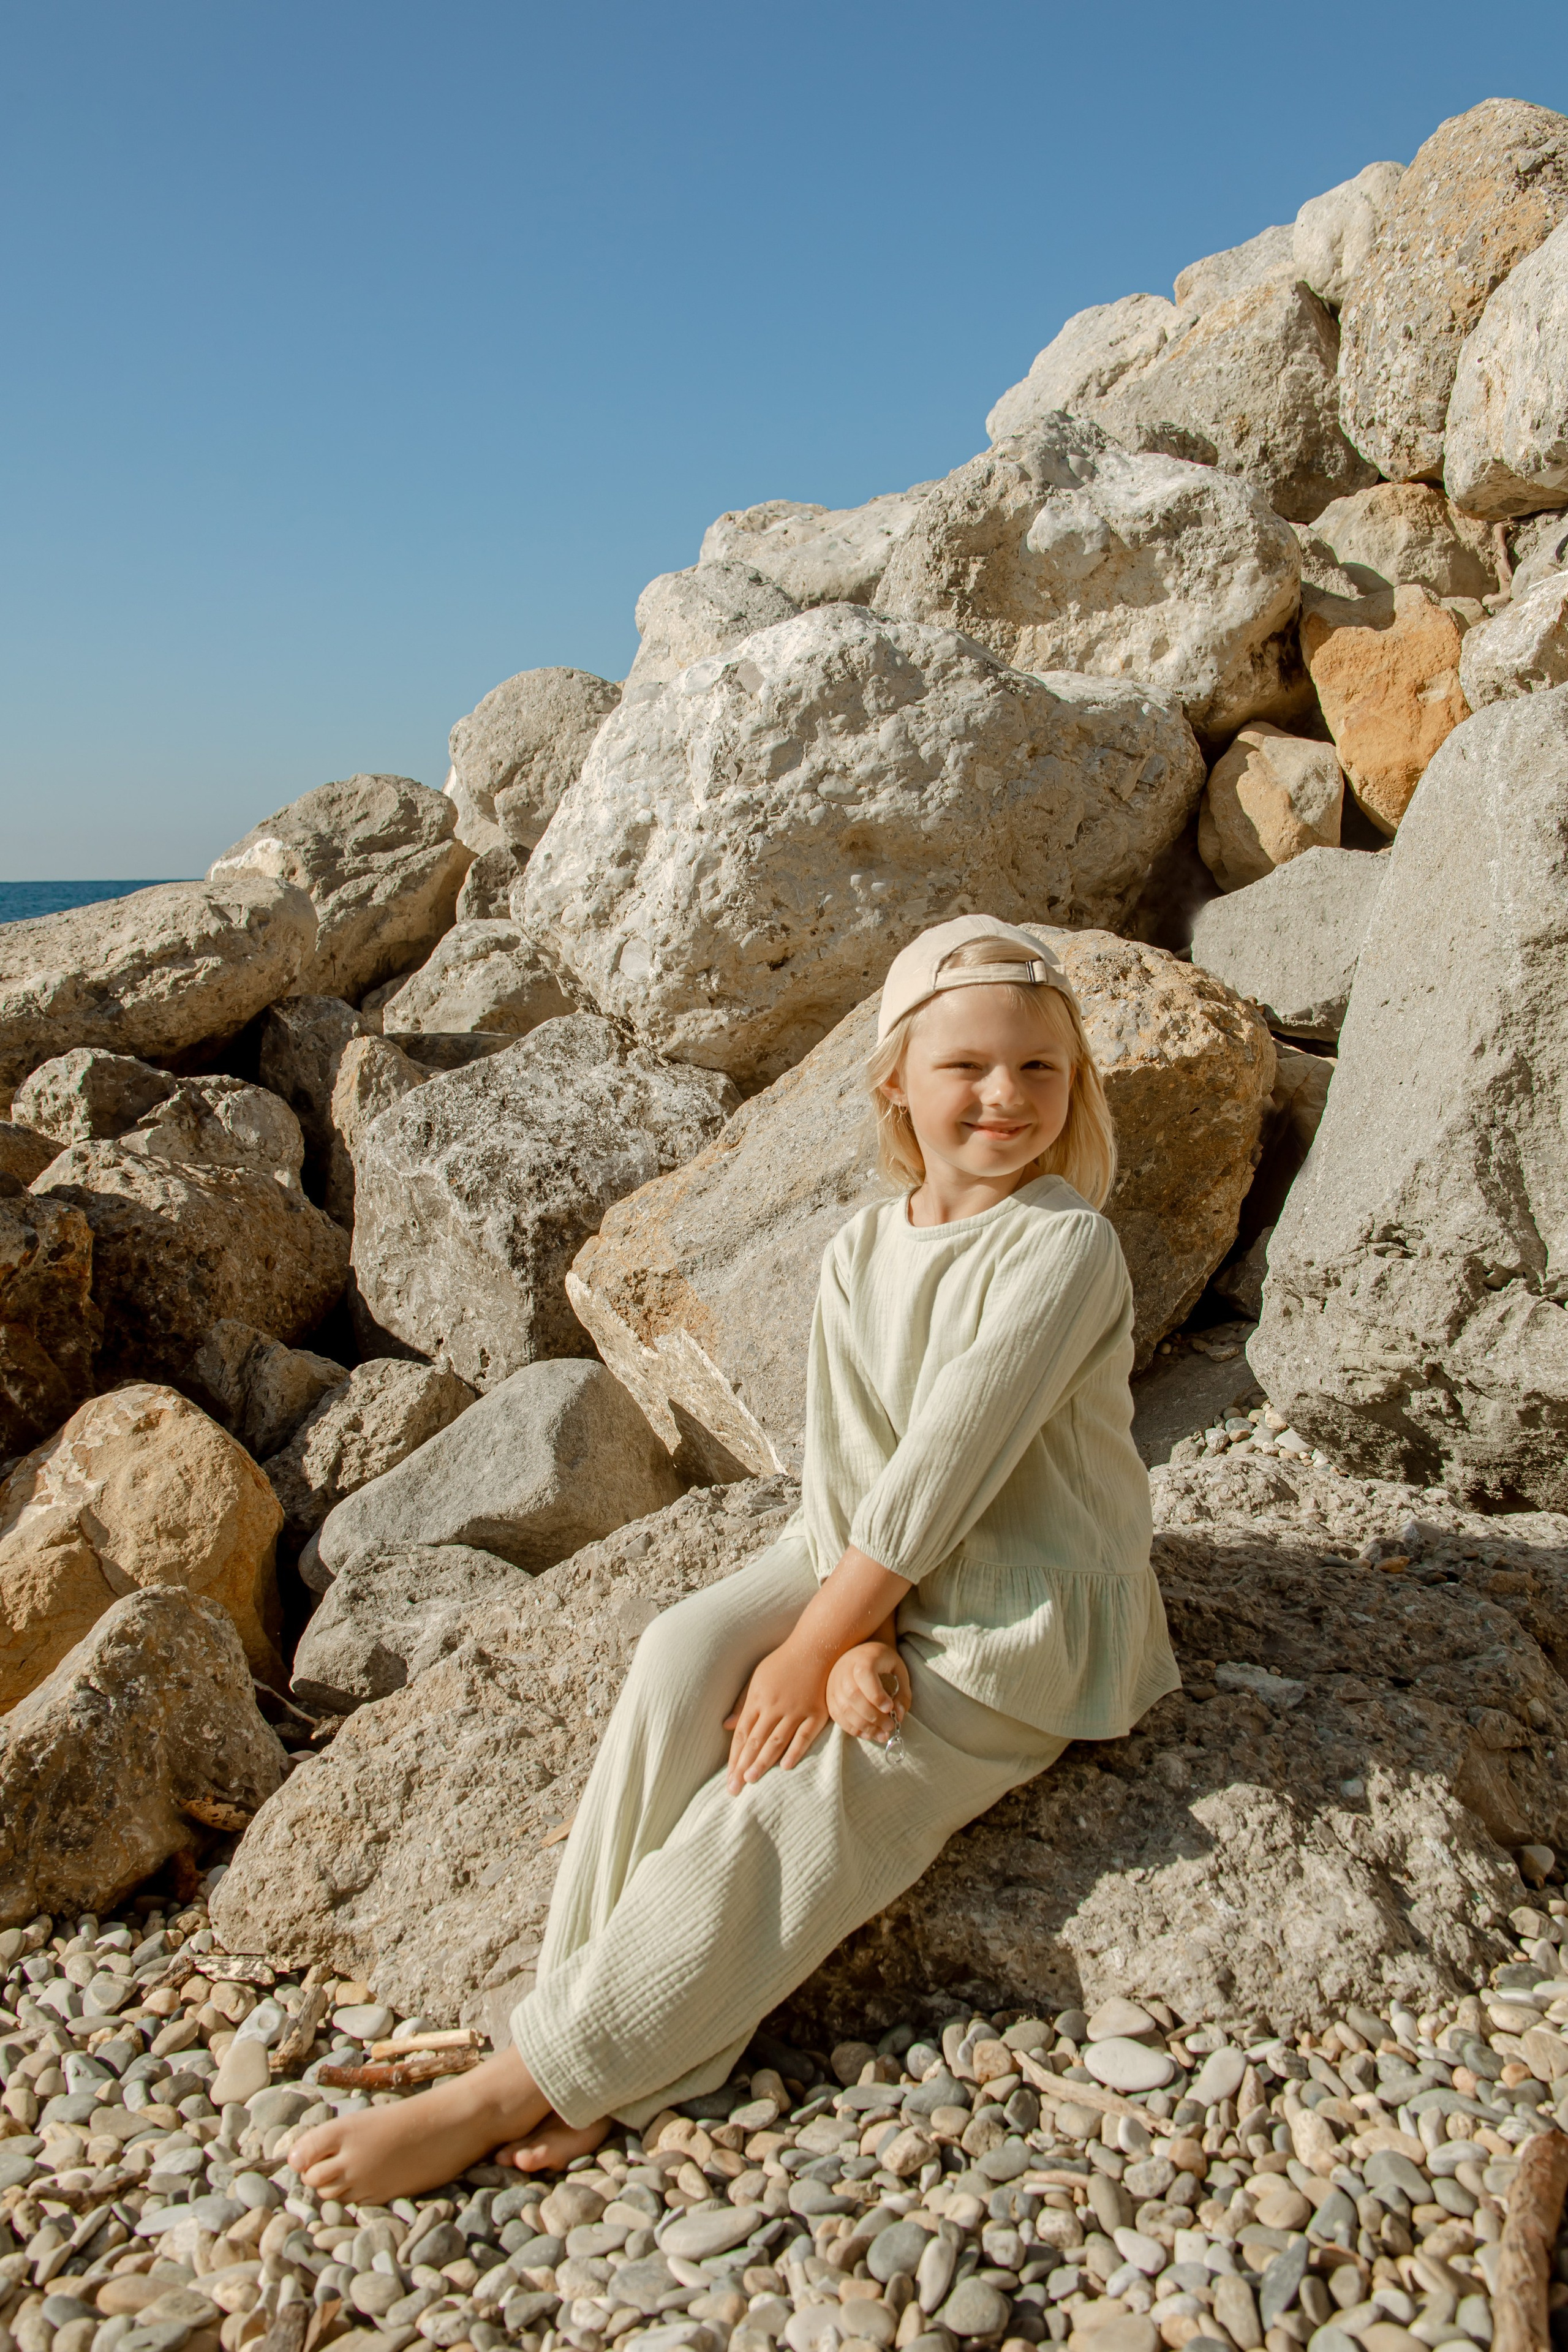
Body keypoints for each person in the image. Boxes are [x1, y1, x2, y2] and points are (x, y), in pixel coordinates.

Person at [290, 913, 1179, 2202]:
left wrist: (825, 1649)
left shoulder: (1062, 1247)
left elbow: (949, 1461)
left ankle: (512, 2085)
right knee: (678, 1657)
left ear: (1073, 1083)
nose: (1005, 1096)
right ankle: (584, 2033)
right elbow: (851, 1471)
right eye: (966, 1068)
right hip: (862, 1551)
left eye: (1039, 1070)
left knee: (795, 1790)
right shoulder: (862, 1248)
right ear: (894, 1083)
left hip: (1016, 1605)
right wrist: (844, 1624)